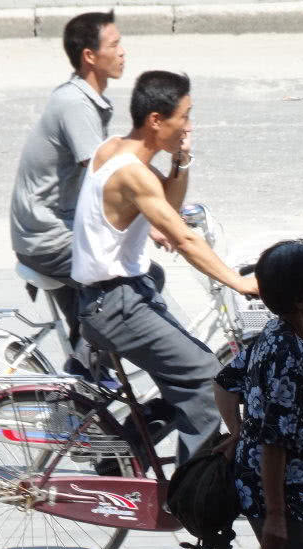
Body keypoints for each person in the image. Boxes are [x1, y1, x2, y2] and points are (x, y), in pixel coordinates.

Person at [71, 70, 258, 464]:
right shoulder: (131, 172)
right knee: (207, 379)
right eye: (184, 117)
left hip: (118, 297)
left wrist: (181, 161)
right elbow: (184, 238)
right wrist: (239, 283)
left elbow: (167, 205)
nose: (189, 126)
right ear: (156, 120)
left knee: (186, 378)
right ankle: (190, 491)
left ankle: (120, 458)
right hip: (118, 305)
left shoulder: (114, 149)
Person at [212, 238, 303, 549]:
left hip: (296, 492)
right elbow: (274, 442)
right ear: (299, 298)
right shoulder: (290, 356)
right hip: (284, 494)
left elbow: (224, 383)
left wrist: (239, 432)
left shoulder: (275, 334)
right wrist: (276, 516)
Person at [9, 10, 125, 364]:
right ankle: (82, 378)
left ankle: (85, 381)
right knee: (134, 285)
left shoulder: (82, 98)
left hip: (53, 230)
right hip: (48, 238)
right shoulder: (76, 104)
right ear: (90, 55)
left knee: (90, 322)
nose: (123, 52)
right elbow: (103, 176)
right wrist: (154, 218)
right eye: (114, 45)